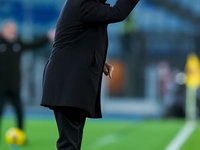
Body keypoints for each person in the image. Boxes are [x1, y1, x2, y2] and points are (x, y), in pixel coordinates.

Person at [41, 0, 140, 149]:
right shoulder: (83, 3)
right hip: (67, 83)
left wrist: (100, 61)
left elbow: (80, 40)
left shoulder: (82, 4)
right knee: (69, 143)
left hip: (70, 81)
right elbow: (117, 13)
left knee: (73, 140)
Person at [0, 20, 54, 136]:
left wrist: (47, 37)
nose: (13, 32)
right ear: (4, 30)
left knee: (19, 112)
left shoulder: (18, 44)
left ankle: (20, 134)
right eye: (10, 29)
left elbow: (33, 44)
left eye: (14, 29)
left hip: (14, 86)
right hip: (1, 87)